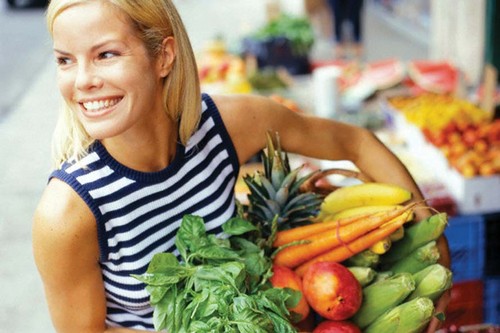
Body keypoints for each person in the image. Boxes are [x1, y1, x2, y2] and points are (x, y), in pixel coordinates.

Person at [32, 0, 450, 332]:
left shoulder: (224, 127)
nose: (82, 80)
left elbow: (356, 142)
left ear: (164, 57)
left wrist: (431, 241)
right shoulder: (68, 213)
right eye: (65, 60)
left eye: (105, 54)